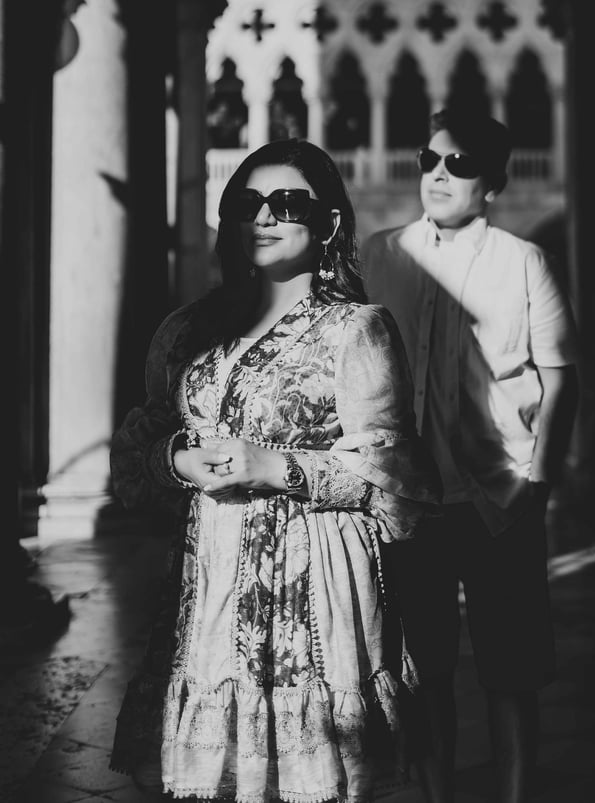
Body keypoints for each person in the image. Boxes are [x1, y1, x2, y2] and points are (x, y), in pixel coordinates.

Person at [109, 139, 439, 802]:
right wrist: (175, 458)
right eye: (246, 202)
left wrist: (278, 466)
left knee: (307, 783)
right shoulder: (186, 330)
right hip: (206, 586)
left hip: (312, 586)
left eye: (286, 203)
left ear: (329, 224)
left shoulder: (358, 330)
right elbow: (132, 452)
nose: (263, 215)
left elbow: (400, 482)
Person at [362, 109, 580, 803]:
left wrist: (539, 479)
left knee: (511, 674)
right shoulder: (379, 256)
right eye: (430, 159)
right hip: (410, 505)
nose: (438, 174)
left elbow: (561, 375)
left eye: (457, 164)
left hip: (499, 499)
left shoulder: (525, 261)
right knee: (422, 674)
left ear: (493, 182)